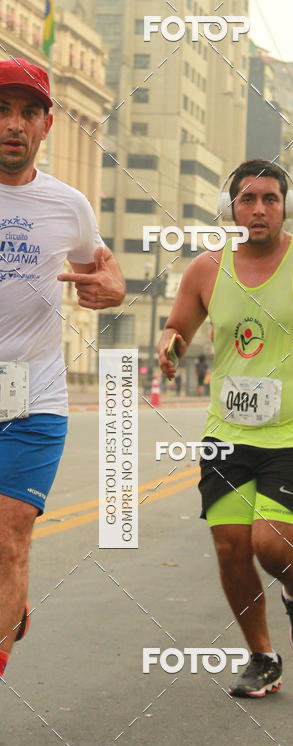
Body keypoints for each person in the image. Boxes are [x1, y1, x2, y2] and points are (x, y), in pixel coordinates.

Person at [157, 159, 293, 698]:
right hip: (226, 430)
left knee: (272, 547)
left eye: (270, 199)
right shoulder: (206, 269)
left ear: (286, 206)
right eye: (247, 199)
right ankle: (262, 656)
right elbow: (178, 326)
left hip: (292, 432)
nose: (258, 209)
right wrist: (170, 348)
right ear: (230, 208)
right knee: (232, 549)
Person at [0, 58, 125, 678]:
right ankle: (10, 604)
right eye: (1, 109)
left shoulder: (69, 205)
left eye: (27, 112)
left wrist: (112, 289)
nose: (13, 124)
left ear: (47, 125)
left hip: (35, 399)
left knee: (10, 533)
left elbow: (106, 269)